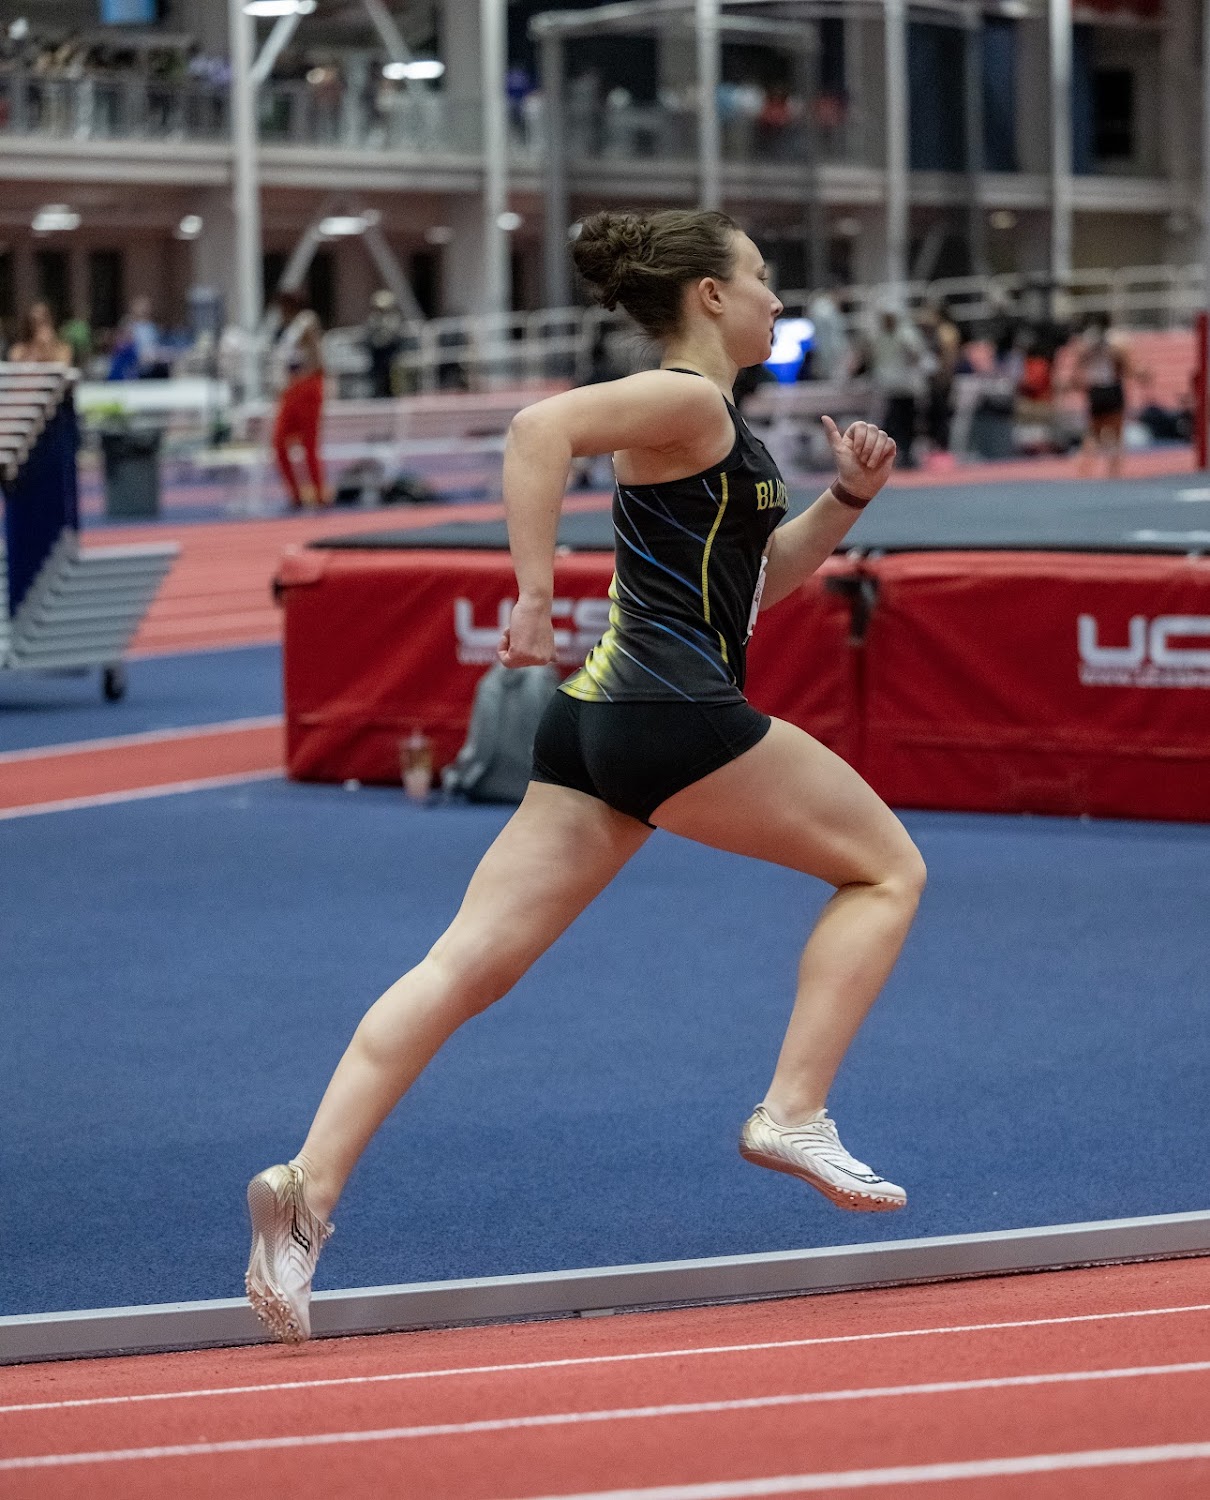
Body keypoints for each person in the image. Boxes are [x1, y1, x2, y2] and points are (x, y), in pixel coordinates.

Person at [245, 208, 924, 1344]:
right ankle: (793, 1110)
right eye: (761, 276)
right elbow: (535, 429)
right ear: (709, 296)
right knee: (887, 872)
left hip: (595, 729)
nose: (775, 300)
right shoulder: (687, 399)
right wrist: (526, 595)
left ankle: (305, 1194)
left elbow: (756, 585)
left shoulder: (708, 426)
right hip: (672, 713)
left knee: (460, 967)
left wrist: (848, 500)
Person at [271, 290, 327, 509]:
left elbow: (317, 357)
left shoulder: (306, 321)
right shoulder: (287, 329)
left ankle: (319, 493)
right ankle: (296, 494)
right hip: (292, 388)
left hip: (307, 386)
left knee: (309, 444)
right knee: (279, 442)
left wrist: (305, 376)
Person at [1073, 314, 1139, 478]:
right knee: (1116, 434)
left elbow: (1079, 365)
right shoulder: (1116, 342)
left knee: (1093, 434)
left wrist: (1078, 381)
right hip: (1110, 389)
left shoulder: (1087, 342)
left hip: (1096, 390)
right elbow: (1126, 366)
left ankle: (1083, 472)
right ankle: (1114, 473)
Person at [7, 301, 72, 364]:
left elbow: (63, 363)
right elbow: (15, 361)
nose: (40, 325)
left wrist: (48, 348)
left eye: (44, 320)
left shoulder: (63, 349)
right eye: (34, 321)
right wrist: (34, 349)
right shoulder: (18, 350)